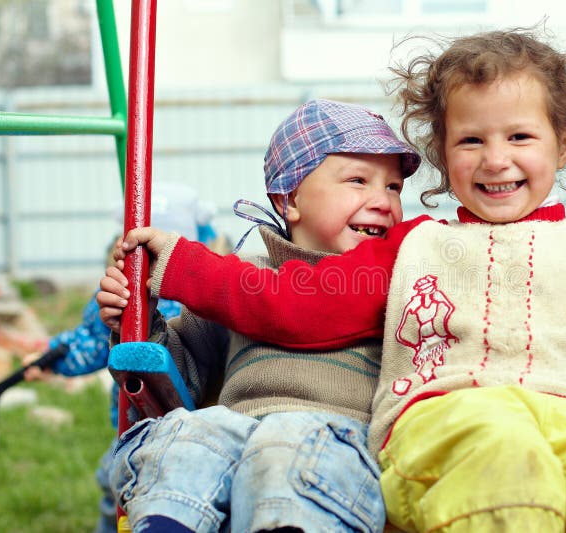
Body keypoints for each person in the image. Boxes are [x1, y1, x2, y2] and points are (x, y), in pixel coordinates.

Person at [103, 28, 566, 532]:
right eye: (469, 141)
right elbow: (298, 304)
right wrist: (184, 266)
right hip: (449, 418)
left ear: (564, 142)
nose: (495, 159)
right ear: (442, 149)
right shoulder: (414, 247)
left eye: (520, 135)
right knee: (504, 455)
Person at [98, 99, 420, 533]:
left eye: (394, 187)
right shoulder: (241, 278)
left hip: (335, 449)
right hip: (235, 441)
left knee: (284, 441)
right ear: (289, 198)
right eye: (358, 181)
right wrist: (137, 321)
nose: (382, 201)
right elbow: (181, 373)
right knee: (191, 433)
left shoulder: (396, 283)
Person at [23, 183, 218, 533]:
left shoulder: (205, 296)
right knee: (116, 484)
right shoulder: (119, 294)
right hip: (133, 424)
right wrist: (53, 357)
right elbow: (94, 341)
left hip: (195, 424)